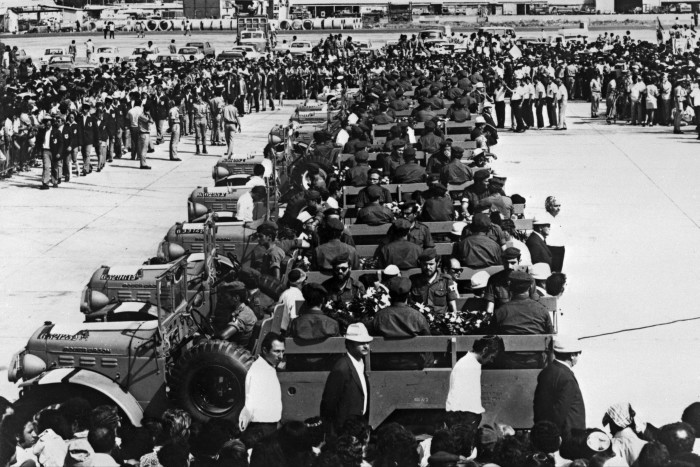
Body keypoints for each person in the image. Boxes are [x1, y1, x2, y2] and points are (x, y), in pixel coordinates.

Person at [320, 323, 372, 435]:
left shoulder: (360, 363)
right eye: (361, 343)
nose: (366, 346)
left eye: (367, 342)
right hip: (343, 430)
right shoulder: (341, 368)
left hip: (357, 427)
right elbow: (329, 404)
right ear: (349, 344)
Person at [371, 276, 432, 370]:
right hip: (413, 366)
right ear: (409, 294)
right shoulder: (417, 317)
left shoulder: (379, 316)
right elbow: (429, 345)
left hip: (386, 366)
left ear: (390, 295)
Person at [445, 335, 503, 432]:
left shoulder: (472, 362)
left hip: (464, 415)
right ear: (485, 350)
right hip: (462, 417)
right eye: (492, 357)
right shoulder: (468, 365)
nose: (491, 361)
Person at [533, 335, 585, 439]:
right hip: (569, 437)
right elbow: (560, 411)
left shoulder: (546, 372)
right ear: (572, 355)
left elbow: (539, 406)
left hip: (548, 434)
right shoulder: (567, 378)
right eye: (577, 354)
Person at [239, 332, 285, 447]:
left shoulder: (268, 366)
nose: (281, 356)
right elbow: (250, 403)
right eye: (277, 351)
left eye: (282, 351)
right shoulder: (258, 371)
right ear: (265, 350)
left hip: (269, 427)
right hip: (261, 430)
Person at [287, 283, 340, 371]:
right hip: (325, 369)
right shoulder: (332, 324)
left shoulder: (295, 323)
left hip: (300, 369)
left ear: (305, 300)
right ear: (323, 300)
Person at [410, 248, 458, 315]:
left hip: (440, 320)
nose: (428, 267)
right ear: (420, 264)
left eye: (431, 264)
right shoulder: (414, 280)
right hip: (420, 319)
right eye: (424, 264)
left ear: (437, 263)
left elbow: (452, 305)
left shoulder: (446, 281)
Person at [211, 281, 257, 345]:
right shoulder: (235, 310)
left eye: (226, 297)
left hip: (237, 352)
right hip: (230, 348)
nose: (223, 299)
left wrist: (209, 338)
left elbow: (223, 335)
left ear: (236, 298)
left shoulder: (245, 314)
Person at [278, 268, 306, 332]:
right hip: (287, 332)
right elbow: (294, 319)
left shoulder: (285, 293)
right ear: (302, 282)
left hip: (280, 329)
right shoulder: (298, 296)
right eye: (304, 280)